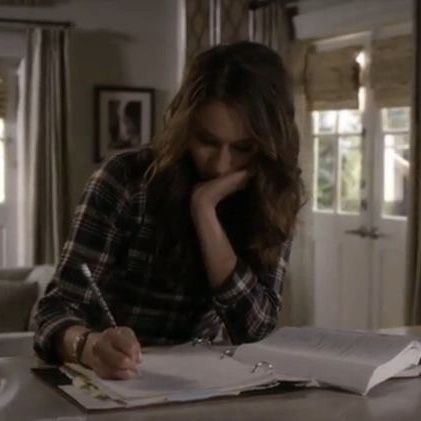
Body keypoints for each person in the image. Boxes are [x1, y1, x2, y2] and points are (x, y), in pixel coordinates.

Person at [34, 41, 304, 380]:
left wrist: (204, 212)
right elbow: (53, 311)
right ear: (185, 127)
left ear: (269, 145)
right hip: (107, 380)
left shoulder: (272, 194)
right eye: (207, 141)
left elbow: (256, 330)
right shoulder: (125, 180)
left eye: (242, 148)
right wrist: (89, 345)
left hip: (203, 385)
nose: (221, 166)